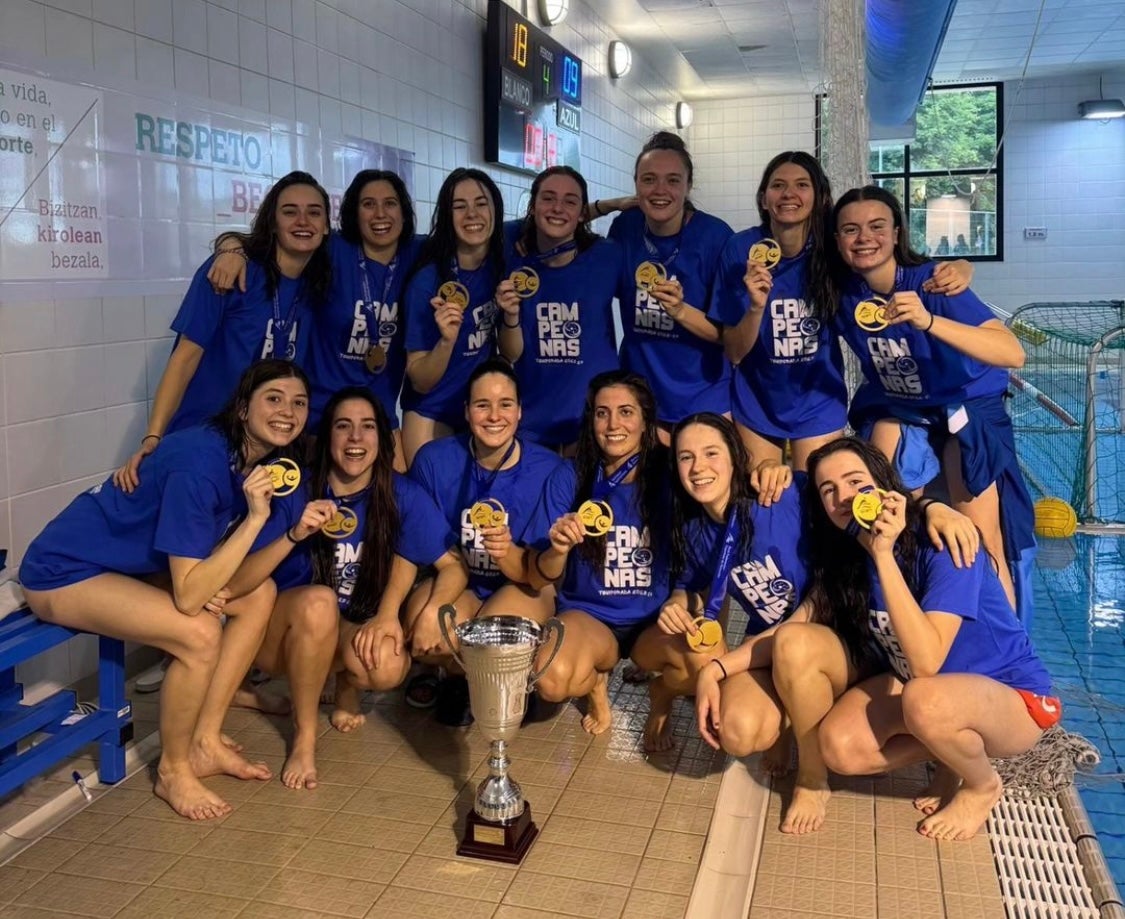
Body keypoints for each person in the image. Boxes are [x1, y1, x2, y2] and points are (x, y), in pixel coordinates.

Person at [20, 360, 311, 820]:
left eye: (298, 402)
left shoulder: (256, 462)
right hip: (64, 569)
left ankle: (205, 741)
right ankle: (173, 772)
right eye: (273, 398)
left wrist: (208, 579)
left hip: (127, 568)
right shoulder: (203, 462)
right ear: (242, 408)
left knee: (259, 594)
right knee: (199, 634)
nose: (287, 412)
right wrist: (254, 519)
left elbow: (209, 569)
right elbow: (190, 599)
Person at [769, 437, 1057, 840]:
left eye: (855, 482)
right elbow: (793, 629)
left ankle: (981, 785)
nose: (844, 497)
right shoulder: (851, 557)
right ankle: (950, 758)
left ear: (885, 487)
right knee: (839, 746)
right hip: (933, 695)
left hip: (1013, 699)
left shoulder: (944, 544)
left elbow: (925, 664)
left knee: (923, 697)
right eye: (828, 490)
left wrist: (886, 553)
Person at [832, 185, 1032, 614]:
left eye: (876, 226)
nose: (864, 237)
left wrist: (929, 319)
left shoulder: (934, 283)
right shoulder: (844, 294)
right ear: (837, 241)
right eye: (850, 229)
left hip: (967, 406)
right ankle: (893, 625)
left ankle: (1009, 653)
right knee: (882, 516)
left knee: (979, 536)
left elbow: (1013, 352)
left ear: (897, 233)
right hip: (902, 409)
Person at [709, 152, 973, 471]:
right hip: (756, 400)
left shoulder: (833, 251)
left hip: (818, 401)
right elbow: (734, 353)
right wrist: (755, 308)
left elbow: (895, 264)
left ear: (820, 198)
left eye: (802, 185)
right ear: (763, 198)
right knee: (761, 501)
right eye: (778, 185)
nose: (789, 193)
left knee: (819, 500)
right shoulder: (740, 250)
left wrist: (961, 265)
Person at [264, 387, 467, 733]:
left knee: (384, 664)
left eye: (368, 426)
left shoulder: (400, 493)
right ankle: (304, 726)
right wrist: (294, 533)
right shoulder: (297, 490)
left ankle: (345, 684)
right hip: (288, 628)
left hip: (352, 622)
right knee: (318, 603)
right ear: (327, 435)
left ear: (383, 436)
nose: (356, 437)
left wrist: (433, 610)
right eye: (343, 426)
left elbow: (453, 565)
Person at [114, 172, 332, 491]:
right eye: (289, 211)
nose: (303, 220)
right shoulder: (230, 273)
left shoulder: (315, 286)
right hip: (203, 439)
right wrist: (153, 436)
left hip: (263, 450)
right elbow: (184, 359)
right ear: (272, 222)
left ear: (327, 226)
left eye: (314, 212)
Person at [208, 170, 423, 469]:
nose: (380, 214)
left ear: (404, 211)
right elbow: (266, 240)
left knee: (395, 499)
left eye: (390, 203)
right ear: (353, 213)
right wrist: (231, 248)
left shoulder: (418, 253)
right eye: (368, 204)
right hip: (318, 416)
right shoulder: (333, 249)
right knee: (315, 507)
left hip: (379, 415)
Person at [635, 413, 802, 754]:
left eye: (711, 453)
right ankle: (664, 691)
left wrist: (930, 506)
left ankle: (801, 746)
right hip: (767, 640)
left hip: (821, 631)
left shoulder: (778, 497)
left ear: (734, 457)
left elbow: (846, 493)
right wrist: (676, 604)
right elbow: (690, 588)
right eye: (686, 457)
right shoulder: (696, 531)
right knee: (735, 731)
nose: (698, 467)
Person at [410, 359, 564, 720]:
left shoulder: (548, 470)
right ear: (466, 411)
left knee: (494, 645)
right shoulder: (434, 460)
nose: (494, 415)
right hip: (460, 579)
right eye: (482, 405)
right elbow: (422, 551)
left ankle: (509, 679)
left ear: (520, 411)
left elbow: (536, 575)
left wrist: (504, 549)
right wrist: (433, 608)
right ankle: (454, 674)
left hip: (523, 585)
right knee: (421, 622)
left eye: (505, 404)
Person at [524, 370, 669, 735]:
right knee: (551, 680)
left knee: (705, 662)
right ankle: (596, 686)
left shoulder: (670, 475)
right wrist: (558, 548)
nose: (613, 423)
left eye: (626, 412)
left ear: (645, 420)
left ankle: (662, 697)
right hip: (590, 616)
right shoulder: (569, 477)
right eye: (601, 413)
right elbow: (542, 573)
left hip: (654, 620)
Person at [608, 132, 733, 436]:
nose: (660, 190)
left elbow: (730, 336)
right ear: (636, 183)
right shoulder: (625, 227)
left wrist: (680, 311)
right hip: (639, 394)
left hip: (705, 394)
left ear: (688, 186)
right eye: (649, 179)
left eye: (673, 180)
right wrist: (610, 204)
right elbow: (563, 217)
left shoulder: (715, 237)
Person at [495, 166, 620, 449]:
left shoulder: (607, 256)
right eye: (548, 198)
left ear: (582, 213)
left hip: (594, 425)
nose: (558, 208)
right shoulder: (511, 253)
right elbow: (509, 352)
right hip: (530, 426)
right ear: (532, 206)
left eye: (570, 201)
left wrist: (611, 205)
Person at [401, 168, 506, 464]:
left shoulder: (500, 264)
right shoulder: (428, 281)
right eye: (459, 206)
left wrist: (611, 206)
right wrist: (447, 341)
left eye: (481, 203)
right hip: (432, 411)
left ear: (495, 209)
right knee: (433, 505)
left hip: (480, 408)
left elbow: (555, 217)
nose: (472, 213)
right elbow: (420, 380)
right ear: (447, 217)